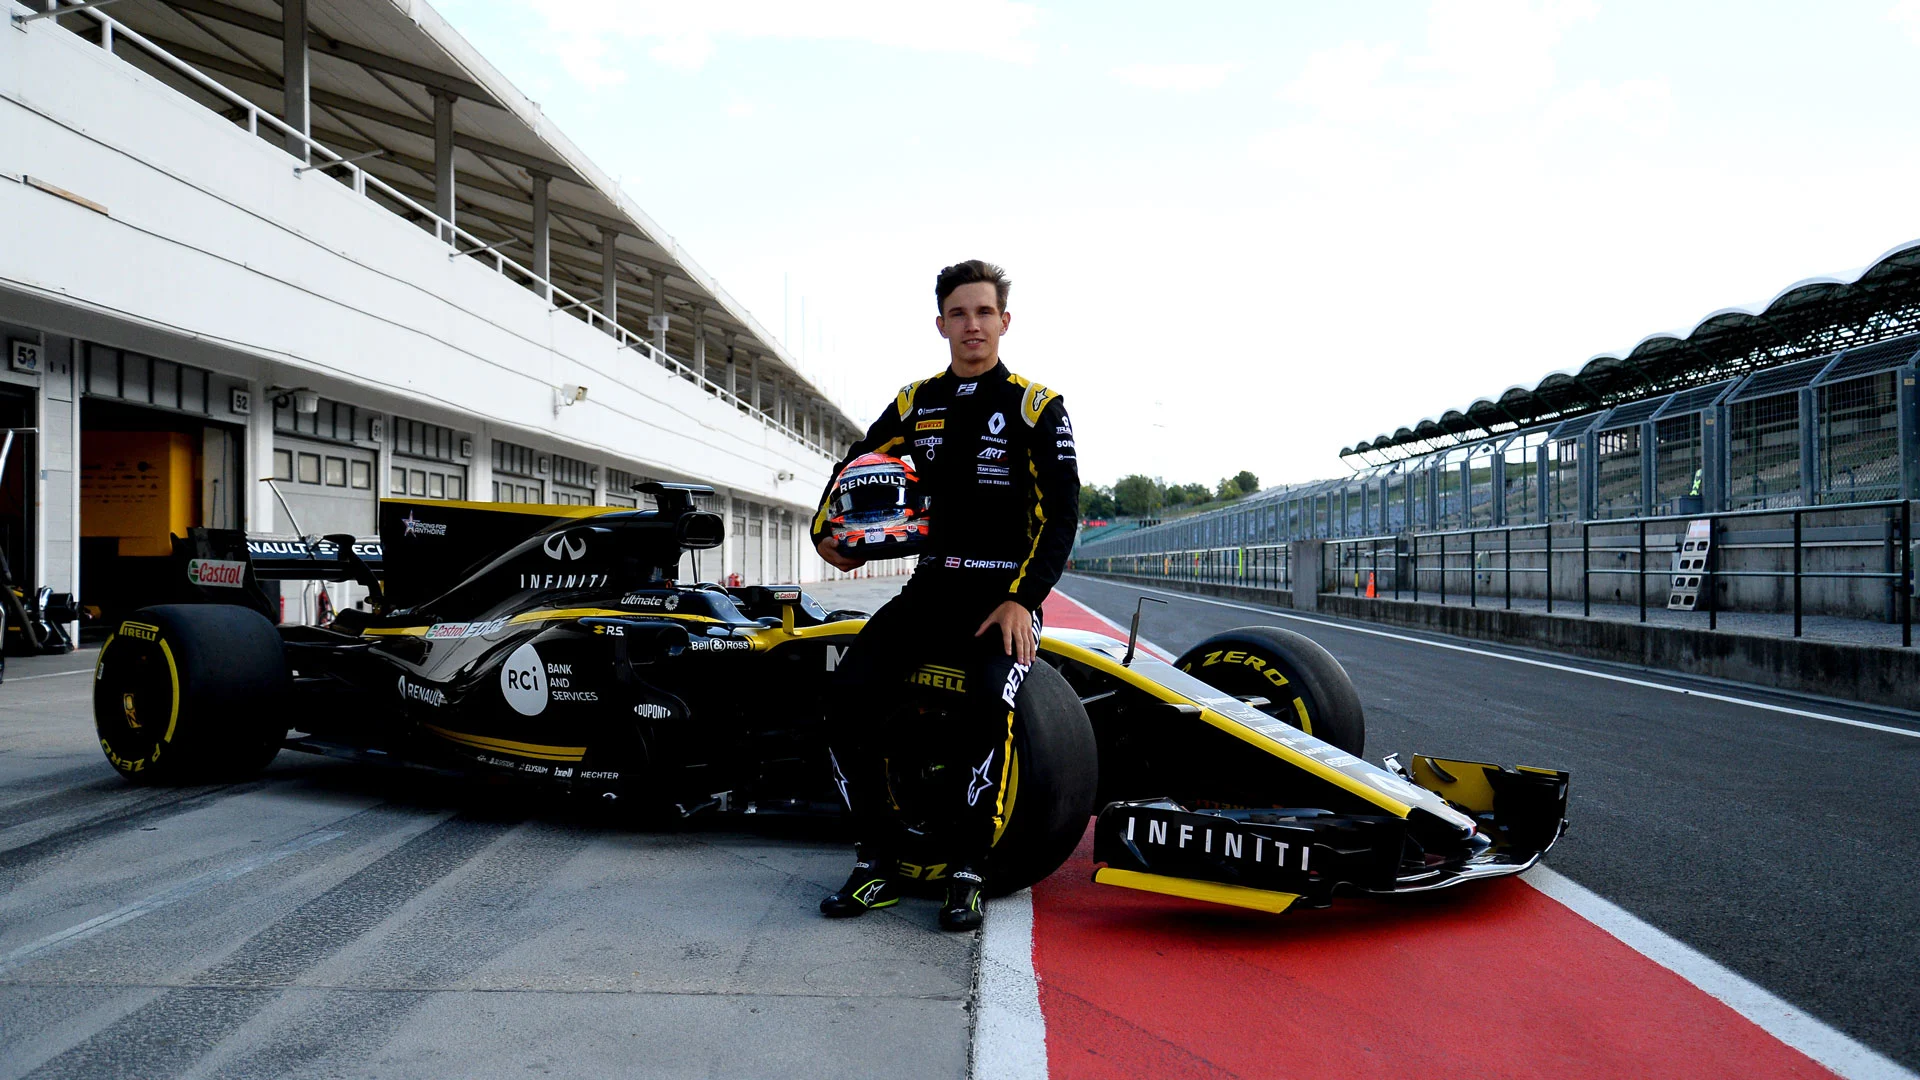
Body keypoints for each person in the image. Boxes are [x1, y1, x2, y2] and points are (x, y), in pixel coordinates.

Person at [811, 260, 1080, 932]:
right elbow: (856, 466)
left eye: (984, 313)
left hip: (1003, 597)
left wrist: (1024, 599)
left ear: (1004, 322)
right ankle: (875, 864)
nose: (972, 325)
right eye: (959, 314)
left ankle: (967, 871)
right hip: (931, 587)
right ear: (941, 324)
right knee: (846, 700)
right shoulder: (915, 403)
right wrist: (828, 536)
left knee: (988, 706)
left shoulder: (1036, 406)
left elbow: (1061, 518)